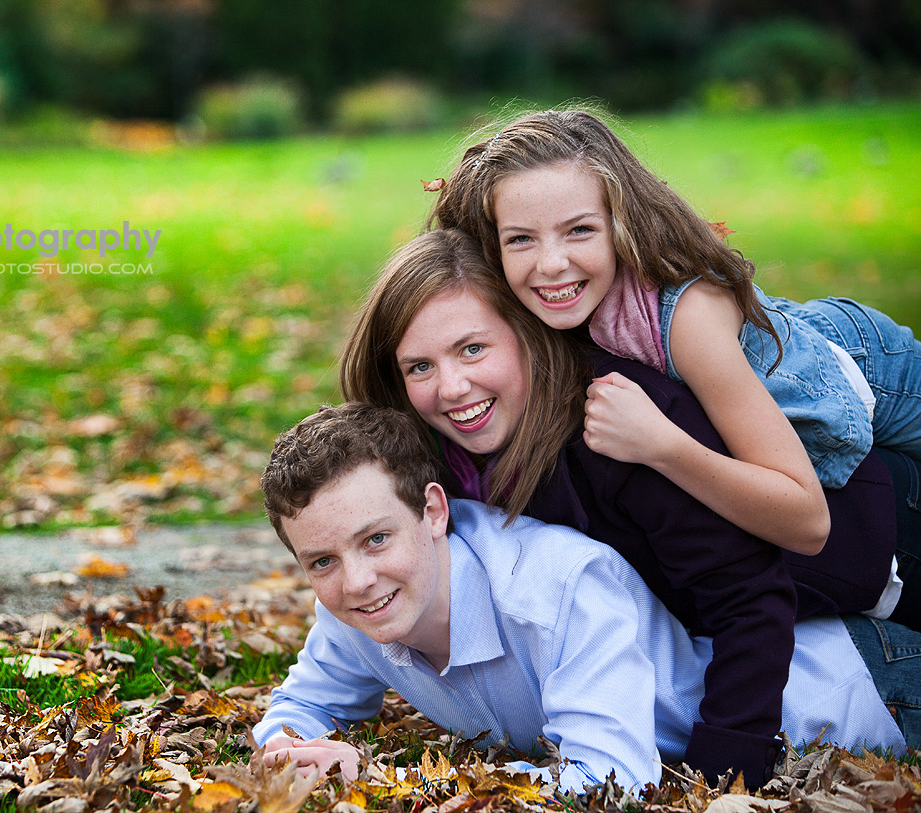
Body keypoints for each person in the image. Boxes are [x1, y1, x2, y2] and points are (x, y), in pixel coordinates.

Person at [337, 228, 921, 788]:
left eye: (472, 349)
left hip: (883, 544)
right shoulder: (450, 466)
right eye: (420, 367)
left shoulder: (616, 423)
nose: (452, 387)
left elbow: (748, 597)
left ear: (523, 334)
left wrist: (724, 771)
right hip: (822, 604)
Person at [253, 402, 916, 793]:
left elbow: (612, 777)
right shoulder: (353, 604)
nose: (357, 579)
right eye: (321, 560)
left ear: (432, 509)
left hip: (861, 684)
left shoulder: (559, 584)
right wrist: (294, 755)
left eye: (375, 539)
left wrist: (381, 778)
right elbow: (303, 704)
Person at [430, 108, 921, 557]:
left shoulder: (689, 320)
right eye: (520, 238)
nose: (551, 264)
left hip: (872, 367)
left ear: (621, 224)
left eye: (580, 230)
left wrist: (661, 445)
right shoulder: (535, 304)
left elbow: (808, 522)